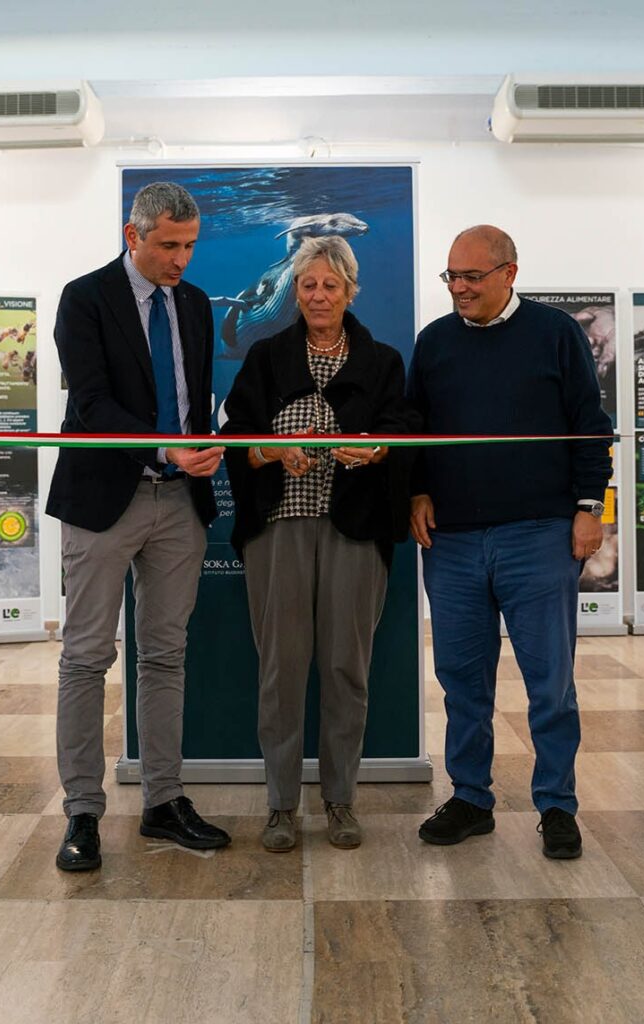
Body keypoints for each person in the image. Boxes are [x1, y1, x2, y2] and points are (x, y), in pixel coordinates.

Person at [407, 225, 612, 860]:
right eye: (451, 277)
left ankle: (556, 804)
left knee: (549, 683)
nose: (460, 288)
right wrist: (416, 492)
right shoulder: (435, 343)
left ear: (509, 274)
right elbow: (416, 428)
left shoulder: (556, 333)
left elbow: (589, 423)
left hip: (540, 535)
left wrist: (588, 508)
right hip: (455, 543)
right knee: (463, 682)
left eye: (471, 277)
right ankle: (471, 797)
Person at [47, 181, 229, 871]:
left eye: (189, 246)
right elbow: (90, 403)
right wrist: (162, 446)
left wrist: (200, 445)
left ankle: (162, 802)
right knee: (86, 656)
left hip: (180, 503)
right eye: (168, 246)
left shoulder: (195, 303)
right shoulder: (85, 297)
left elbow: (191, 399)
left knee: (164, 654)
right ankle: (83, 814)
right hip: (102, 501)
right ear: (134, 236)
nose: (181, 260)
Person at [222, 235, 416, 852]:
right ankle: (281, 806)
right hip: (277, 527)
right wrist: (273, 449)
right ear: (293, 291)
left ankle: (340, 801)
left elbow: (399, 437)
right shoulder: (264, 356)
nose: (319, 295)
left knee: (345, 669)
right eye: (308, 284)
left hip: (355, 530)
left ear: (351, 291)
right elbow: (238, 441)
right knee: (281, 668)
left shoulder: (383, 361)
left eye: (331, 285)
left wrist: (378, 449)